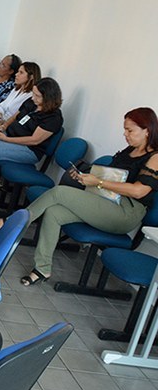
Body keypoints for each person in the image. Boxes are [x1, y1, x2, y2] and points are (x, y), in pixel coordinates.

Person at [17, 107, 158, 285]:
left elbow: (139, 191)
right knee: (54, 213)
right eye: (125, 129)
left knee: (59, 192)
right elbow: (111, 175)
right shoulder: (129, 150)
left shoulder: (155, 157)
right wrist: (86, 177)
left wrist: (98, 182)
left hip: (125, 212)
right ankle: (42, 268)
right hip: (106, 201)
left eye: (130, 130)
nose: (125, 134)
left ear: (147, 130)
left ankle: (15, 226)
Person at [0, 77, 64, 164]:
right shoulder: (31, 102)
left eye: (37, 96)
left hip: (28, 149)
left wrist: (6, 139)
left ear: (48, 98)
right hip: (9, 134)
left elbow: (34, 140)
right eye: (33, 94)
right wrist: (3, 126)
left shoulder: (53, 118)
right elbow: (15, 116)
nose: (33, 98)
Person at [0, 61, 41, 126]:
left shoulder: (31, 96)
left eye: (21, 72)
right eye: (18, 71)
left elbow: (17, 117)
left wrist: (0, 121)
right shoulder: (16, 89)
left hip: (7, 125)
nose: (16, 74)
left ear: (31, 77)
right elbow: (0, 105)